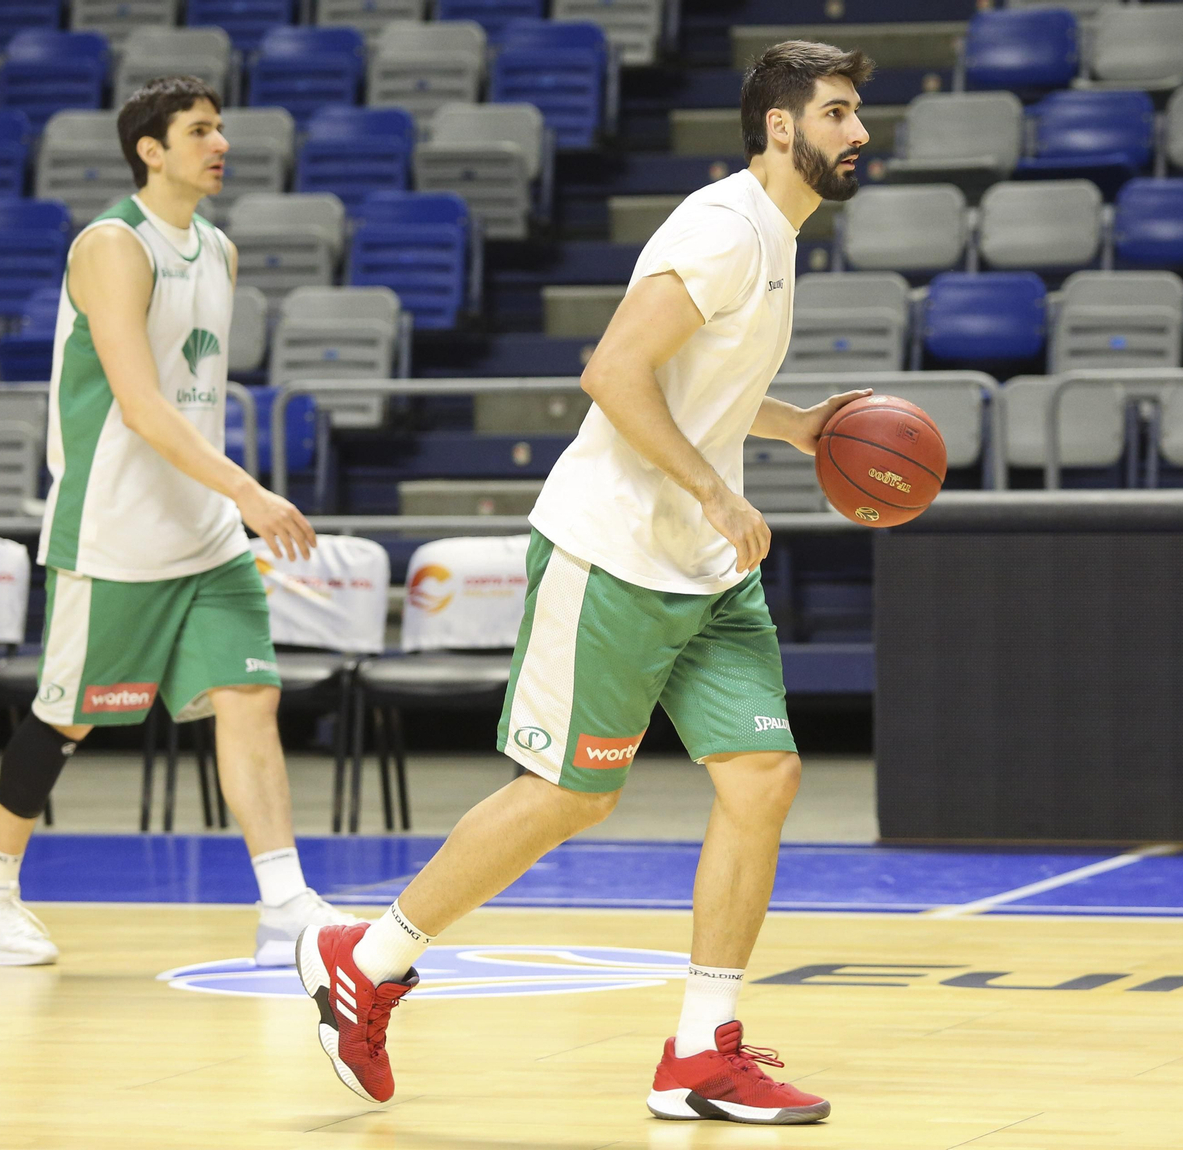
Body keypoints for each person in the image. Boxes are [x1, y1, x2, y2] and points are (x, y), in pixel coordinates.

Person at [297, 41, 873, 1124]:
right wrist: (713, 488)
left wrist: (791, 426)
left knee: (762, 780)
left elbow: (694, 381)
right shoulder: (722, 228)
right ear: (782, 128)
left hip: (705, 571)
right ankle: (366, 958)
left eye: (856, 115)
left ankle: (701, 1052)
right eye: (838, 114)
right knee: (573, 794)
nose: (858, 134)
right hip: (613, 552)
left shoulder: (775, 236)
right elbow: (611, 370)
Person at [0, 76, 356, 968]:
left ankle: (284, 901)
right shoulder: (111, 246)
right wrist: (249, 491)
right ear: (151, 149)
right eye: (200, 130)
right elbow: (139, 405)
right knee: (66, 720)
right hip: (114, 530)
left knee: (251, 697)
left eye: (221, 129)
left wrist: (226, 502)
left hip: (204, 535)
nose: (220, 144)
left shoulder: (219, 250)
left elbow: (195, 401)